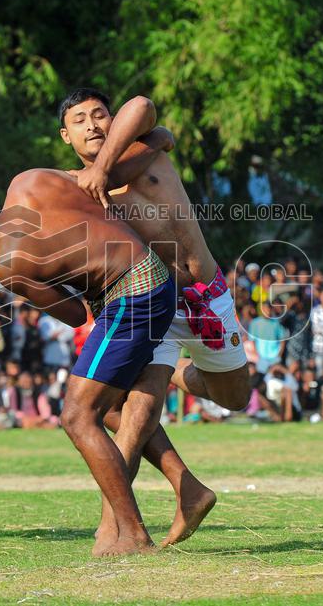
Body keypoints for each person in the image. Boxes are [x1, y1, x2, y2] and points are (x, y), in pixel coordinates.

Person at [0, 168, 176, 557]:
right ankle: (186, 487)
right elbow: (96, 186)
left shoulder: (8, 266)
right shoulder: (26, 181)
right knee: (104, 410)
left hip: (132, 297)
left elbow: (73, 314)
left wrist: (70, 275)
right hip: (150, 276)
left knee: (77, 416)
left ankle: (134, 533)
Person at [61, 88, 248, 546]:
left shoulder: (143, 147)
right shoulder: (76, 189)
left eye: (99, 114)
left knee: (236, 398)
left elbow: (143, 104)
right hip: (149, 297)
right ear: (65, 135)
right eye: (79, 120)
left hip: (203, 295)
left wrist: (106, 166)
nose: (92, 125)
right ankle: (116, 527)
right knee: (129, 410)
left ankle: (184, 383)